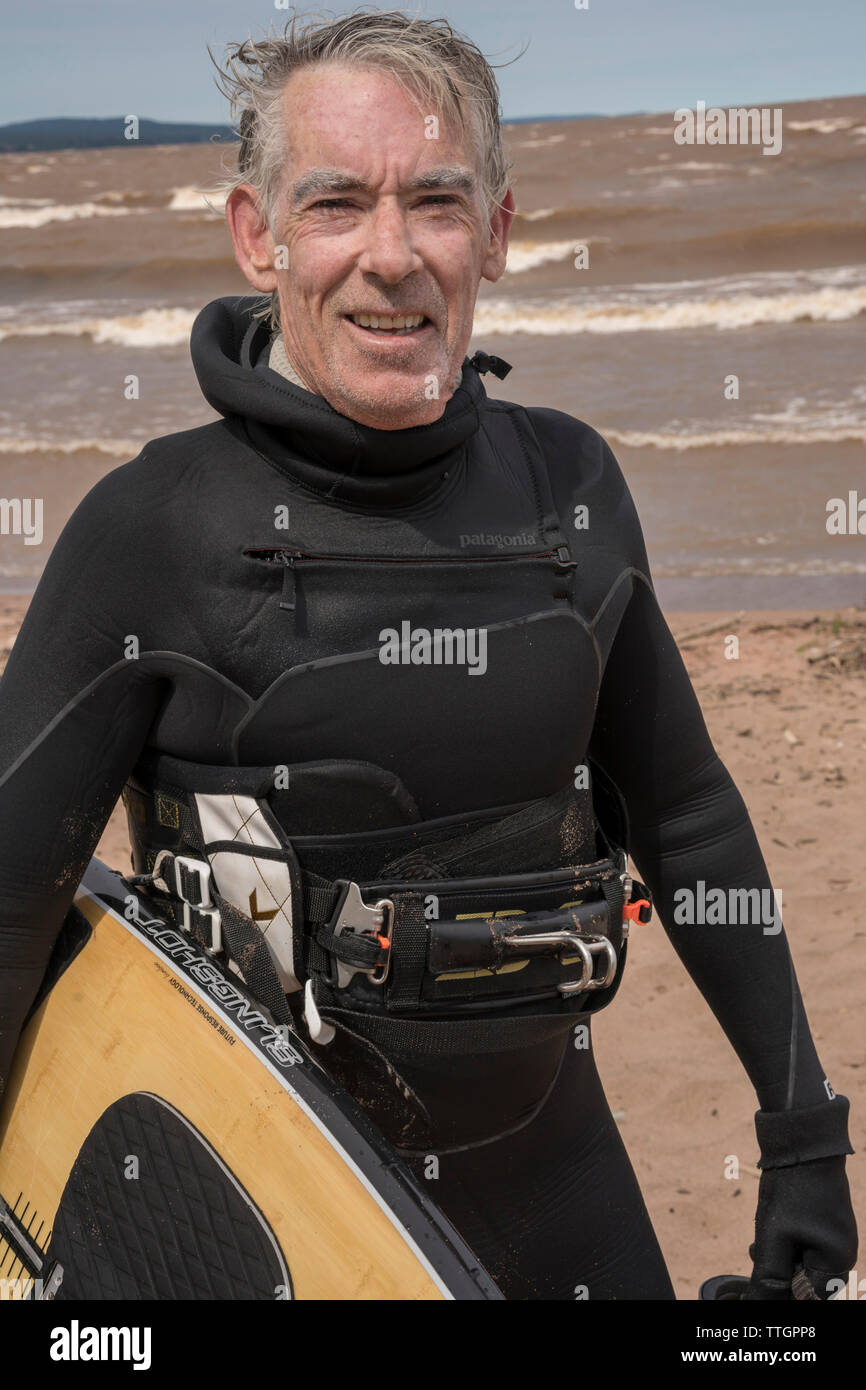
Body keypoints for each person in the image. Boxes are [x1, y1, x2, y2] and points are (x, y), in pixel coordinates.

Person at [0, 11, 856, 1301]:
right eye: (336, 202)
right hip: (266, 1214)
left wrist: (802, 1137)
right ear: (259, 234)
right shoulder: (153, 531)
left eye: (437, 203)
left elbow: (685, 815)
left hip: (564, 1190)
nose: (390, 256)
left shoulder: (569, 487)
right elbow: (14, 909)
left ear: (498, 232)